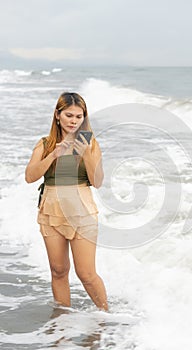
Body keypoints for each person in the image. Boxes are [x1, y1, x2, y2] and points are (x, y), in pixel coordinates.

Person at [25, 92, 108, 311]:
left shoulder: (89, 143)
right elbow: (30, 176)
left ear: (84, 118)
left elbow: (97, 182)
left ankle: (106, 318)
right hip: (51, 211)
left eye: (79, 117)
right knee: (58, 270)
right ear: (57, 115)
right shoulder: (46, 143)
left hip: (82, 212)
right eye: (69, 115)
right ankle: (62, 326)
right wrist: (53, 156)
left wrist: (87, 155)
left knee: (86, 274)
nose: (73, 121)